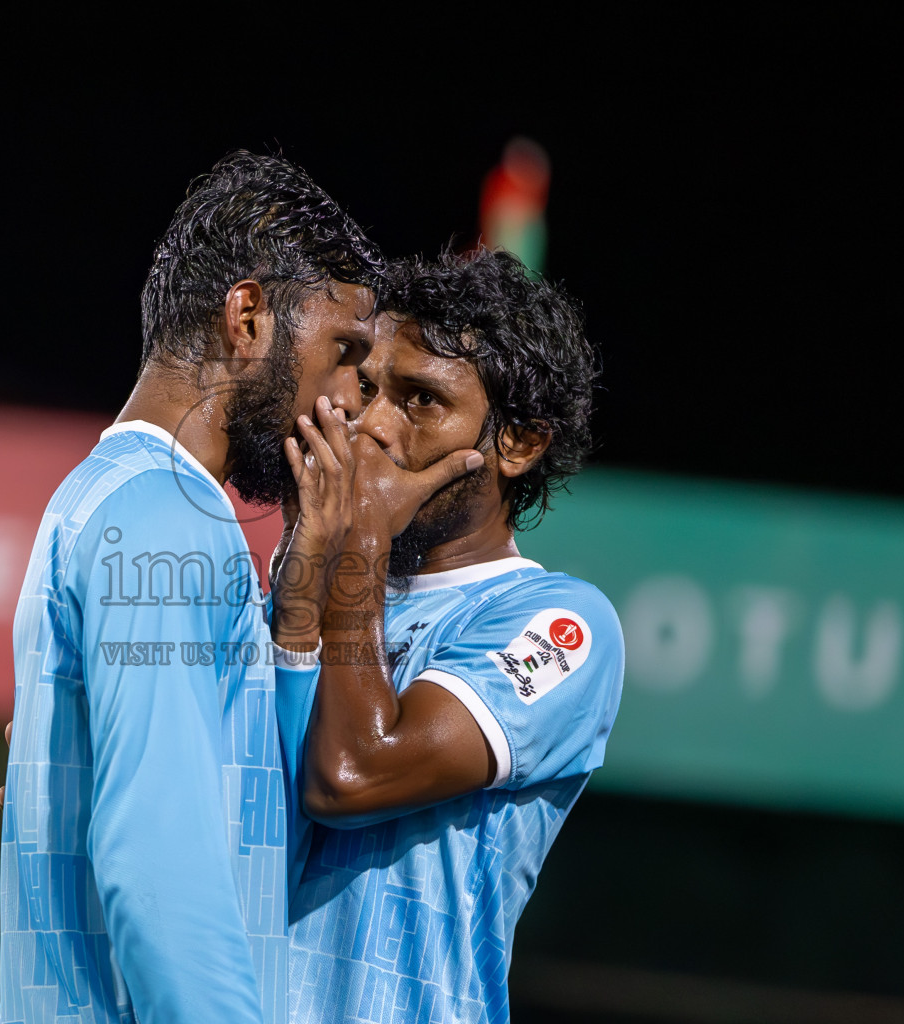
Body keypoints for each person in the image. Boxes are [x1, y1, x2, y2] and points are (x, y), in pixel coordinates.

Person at [0, 151, 390, 1024]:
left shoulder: (124, 500)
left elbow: (246, 832)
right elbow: (156, 864)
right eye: (342, 355)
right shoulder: (169, 520)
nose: (349, 404)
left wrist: (293, 628)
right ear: (247, 317)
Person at [275, 249, 623, 1024]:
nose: (372, 427)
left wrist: (361, 541)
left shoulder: (560, 626)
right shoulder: (296, 577)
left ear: (519, 443)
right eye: (368, 389)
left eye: (421, 401)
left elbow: (352, 775)